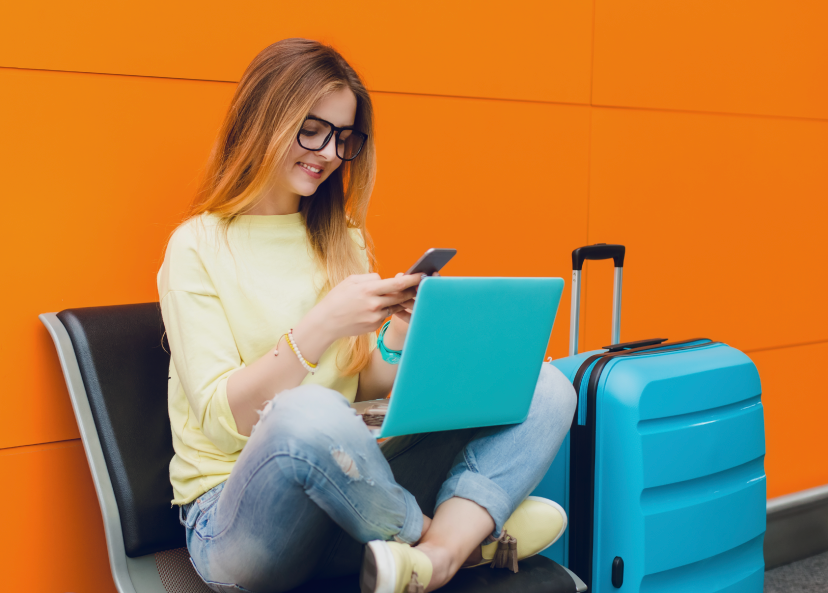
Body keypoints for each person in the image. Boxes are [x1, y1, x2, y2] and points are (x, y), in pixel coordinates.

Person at [157, 38, 577, 593]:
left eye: (343, 138)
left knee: (546, 386)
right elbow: (225, 421)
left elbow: (360, 384)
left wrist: (403, 333)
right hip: (239, 524)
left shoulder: (342, 240)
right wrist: (324, 322)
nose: (328, 153)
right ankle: (455, 542)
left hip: (350, 500)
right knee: (306, 411)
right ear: (265, 117)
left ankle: (430, 561)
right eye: (312, 130)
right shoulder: (196, 247)